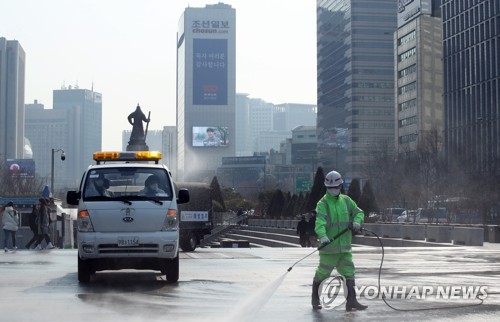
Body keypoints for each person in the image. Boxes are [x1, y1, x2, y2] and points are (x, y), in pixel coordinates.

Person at [311, 170, 367, 311]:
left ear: (340, 186)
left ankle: (351, 301)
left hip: (344, 247)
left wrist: (357, 222)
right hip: (329, 248)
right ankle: (315, 300)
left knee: (349, 273)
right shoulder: (322, 203)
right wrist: (322, 235)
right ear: (327, 188)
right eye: (330, 188)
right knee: (322, 274)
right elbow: (320, 222)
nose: (333, 190)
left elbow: (359, 212)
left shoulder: (347, 201)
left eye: (336, 187)